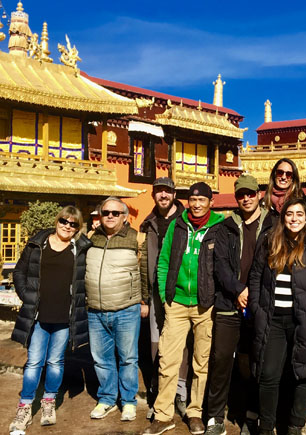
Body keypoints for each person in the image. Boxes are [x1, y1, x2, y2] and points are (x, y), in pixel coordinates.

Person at [248, 197, 306, 435]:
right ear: (283, 217)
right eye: (289, 214)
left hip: (305, 320)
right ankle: (266, 427)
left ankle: (295, 426)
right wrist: (256, 307)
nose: (294, 219)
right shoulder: (269, 242)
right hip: (272, 319)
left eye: (299, 214)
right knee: (268, 374)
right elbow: (256, 276)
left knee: (305, 374)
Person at [146, 182, 224, 435]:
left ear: (211, 202)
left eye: (202, 200)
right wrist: (164, 295)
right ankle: (163, 414)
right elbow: (164, 261)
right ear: (188, 201)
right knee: (168, 360)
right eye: (193, 199)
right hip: (177, 303)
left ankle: (195, 413)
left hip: (205, 305)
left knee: (201, 362)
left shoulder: (220, 227)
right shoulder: (178, 226)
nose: (197, 204)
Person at [9, 206, 91, 433]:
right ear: (57, 221)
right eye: (64, 221)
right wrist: (27, 296)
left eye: (73, 224)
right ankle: (25, 407)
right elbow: (19, 273)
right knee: (34, 362)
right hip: (38, 315)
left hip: (65, 316)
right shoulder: (38, 244)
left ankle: (48, 401)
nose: (67, 226)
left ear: (78, 227)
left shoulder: (80, 249)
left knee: (56, 362)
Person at [204, 175, 271, 435]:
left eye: (250, 194)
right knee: (221, 359)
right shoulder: (226, 227)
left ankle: (251, 414)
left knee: (255, 361)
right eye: (241, 194)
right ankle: (215, 416)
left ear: (259, 195)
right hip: (229, 303)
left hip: (260, 304)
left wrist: (253, 293)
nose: (246, 198)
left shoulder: (272, 225)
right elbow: (219, 265)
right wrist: (238, 289)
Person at [86, 197, 149, 422]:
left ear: (124, 216)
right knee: (101, 359)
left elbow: (145, 273)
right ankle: (107, 399)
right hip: (95, 309)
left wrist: (145, 301)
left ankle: (128, 401)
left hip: (126, 309)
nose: (110, 216)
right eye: (105, 212)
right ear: (99, 216)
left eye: (115, 212)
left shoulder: (136, 239)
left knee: (128, 358)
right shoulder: (91, 237)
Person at [139, 177, 189, 417]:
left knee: (181, 345)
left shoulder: (185, 221)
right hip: (154, 294)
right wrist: (144, 297)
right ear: (154, 195)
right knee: (156, 343)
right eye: (159, 191)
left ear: (174, 194)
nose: (163, 196)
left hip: (179, 293)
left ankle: (180, 392)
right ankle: (160, 392)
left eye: (167, 192)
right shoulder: (148, 223)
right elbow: (142, 263)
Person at [263, 159, 306, 224]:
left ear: (293, 178)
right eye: (280, 173)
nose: (283, 177)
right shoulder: (263, 203)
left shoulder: (304, 201)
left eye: (288, 174)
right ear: (274, 174)